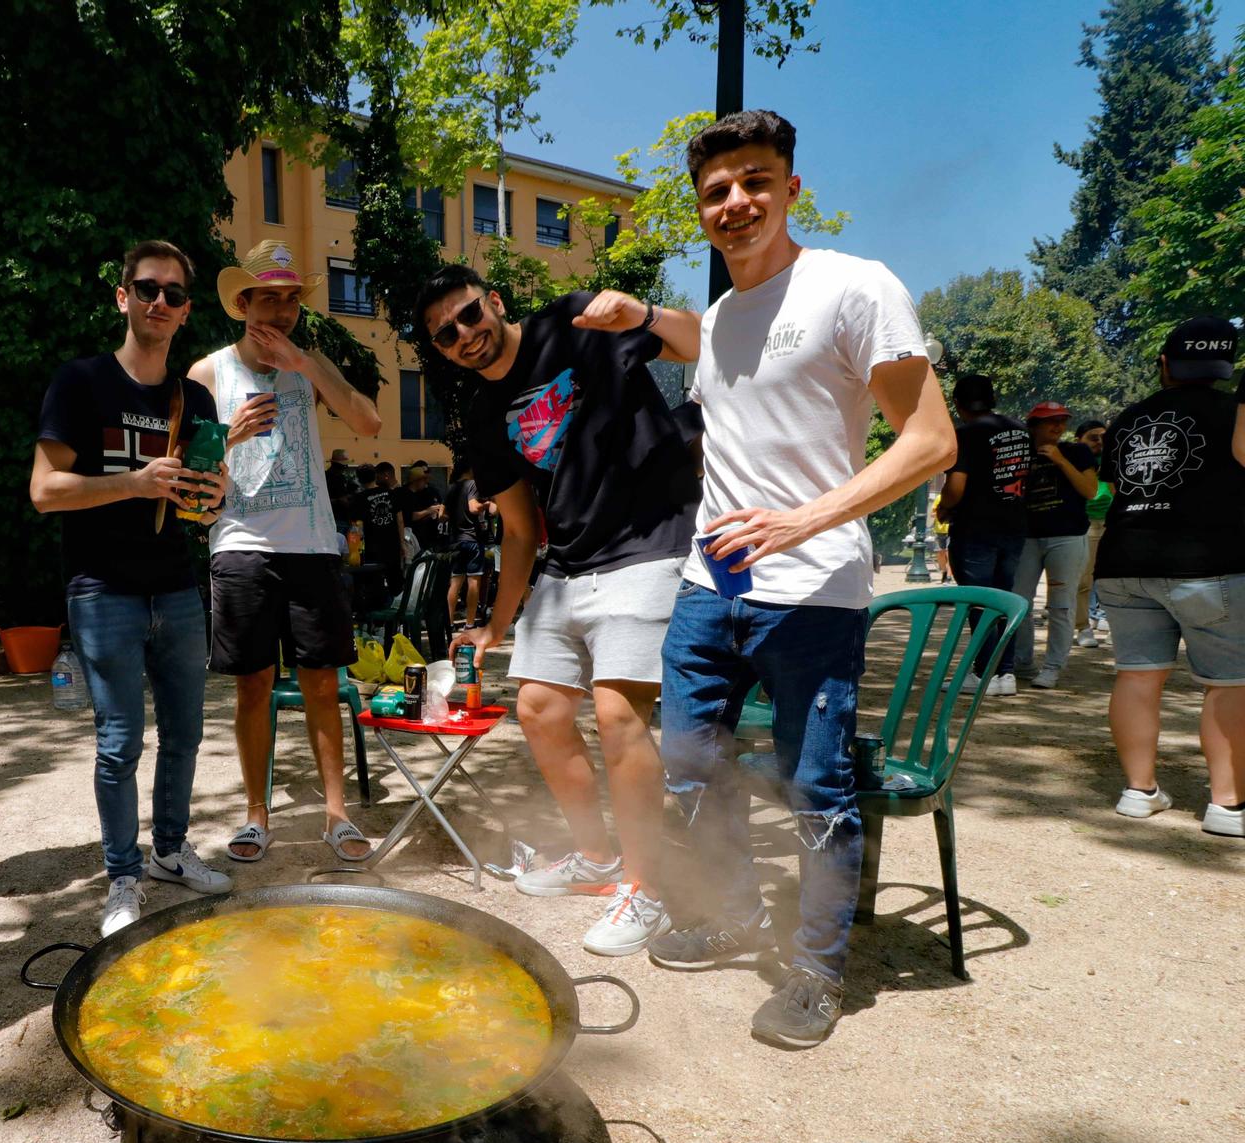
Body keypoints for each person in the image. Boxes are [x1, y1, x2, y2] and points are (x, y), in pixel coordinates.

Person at [647, 110, 956, 1046]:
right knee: (690, 768)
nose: (735, 202)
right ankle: (735, 907)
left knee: (815, 787)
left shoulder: (853, 287)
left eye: (754, 181)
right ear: (700, 208)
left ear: (790, 186)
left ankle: (816, 972)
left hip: (814, 590)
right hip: (711, 589)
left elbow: (931, 440)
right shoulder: (718, 317)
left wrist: (804, 519)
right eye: (716, 190)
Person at [422, 265, 698, 954]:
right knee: (539, 708)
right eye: (445, 334)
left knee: (615, 714)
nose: (463, 335)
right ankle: (597, 857)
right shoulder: (483, 418)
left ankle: (647, 888)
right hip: (568, 562)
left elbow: (696, 344)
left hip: (649, 540)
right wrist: (497, 622)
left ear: (494, 302)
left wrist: (645, 312)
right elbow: (518, 529)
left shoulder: (576, 323)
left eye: (467, 315)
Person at [30, 240, 234, 935]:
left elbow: (201, 509)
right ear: (123, 297)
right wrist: (134, 482)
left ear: (185, 312)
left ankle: (170, 853)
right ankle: (122, 876)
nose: (160, 302)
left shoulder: (195, 397)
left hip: (176, 588)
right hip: (102, 590)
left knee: (185, 733)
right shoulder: (81, 382)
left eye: (174, 294)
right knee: (120, 742)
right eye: (148, 288)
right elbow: (44, 490)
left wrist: (214, 493)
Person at [189, 239, 381, 867]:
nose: (280, 310)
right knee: (253, 686)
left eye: (291, 299)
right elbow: (188, 473)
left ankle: (335, 814)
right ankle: (255, 816)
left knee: (323, 685)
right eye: (267, 297)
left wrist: (307, 365)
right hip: (240, 543)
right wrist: (228, 435)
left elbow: (369, 422)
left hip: (313, 544)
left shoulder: (310, 363)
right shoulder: (209, 371)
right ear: (241, 304)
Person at [1092, 317, 1245, 838]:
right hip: (1211, 562)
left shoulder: (1128, 420)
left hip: (1124, 560)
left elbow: (1114, 485)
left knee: (1137, 674)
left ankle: (1139, 792)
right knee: (1228, 684)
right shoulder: (1235, 415)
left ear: (1165, 365)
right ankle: (1226, 805)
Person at [938, 373, 1030, 695]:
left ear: (959, 404)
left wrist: (943, 508)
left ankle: (982, 674)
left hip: (976, 528)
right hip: (1015, 526)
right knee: (1004, 599)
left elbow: (956, 488)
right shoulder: (1021, 431)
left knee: (978, 602)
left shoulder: (964, 434)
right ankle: (1006, 674)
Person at [1010, 402, 1096, 689]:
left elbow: (1090, 490)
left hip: (1067, 536)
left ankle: (1053, 667)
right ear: (1033, 425)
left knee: (1061, 605)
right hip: (1026, 536)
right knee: (1020, 603)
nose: (1058, 427)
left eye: (1062, 421)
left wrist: (1060, 459)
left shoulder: (1077, 452)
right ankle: (1022, 663)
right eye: (1050, 422)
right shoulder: (1019, 453)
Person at [1071, 419, 1110, 648]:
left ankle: (1109, 621)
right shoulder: (1072, 461)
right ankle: (1082, 627)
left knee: (1113, 581)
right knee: (1083, 580)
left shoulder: (1113, 458)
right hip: (1087, 523)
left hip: (1114, 522)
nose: (1099, 442)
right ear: (1079, 439)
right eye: (1093, 437)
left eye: (1103, 437)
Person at [445, 461, 491, 626]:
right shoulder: (472, 484)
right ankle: (470, 623)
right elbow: (473, 508)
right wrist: (485, 504)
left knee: (455, 582)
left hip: (456, 540)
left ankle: (449, 623)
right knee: (473, 583)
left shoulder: (451, 488)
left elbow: (442, 514)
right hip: (472, 539)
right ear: (470, 469)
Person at [357, 460, 405, 599]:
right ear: (375, 476)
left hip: (372, 549)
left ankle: (379, 617)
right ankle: (398, 615)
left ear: (360, 480)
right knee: (396, 583)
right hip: (392, 545)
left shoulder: (359, 498)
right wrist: (402, 544)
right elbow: (400, 520)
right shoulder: (391, 493)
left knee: (374, 585)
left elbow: (357, 526)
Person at [395, 460, 447, 556]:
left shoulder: (420, 493)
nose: (426, 482)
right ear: (417, 480)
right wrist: (429, 510)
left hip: (424, 538)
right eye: (423, 479)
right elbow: (411, 516)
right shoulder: (405, 494)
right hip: (410, 539)